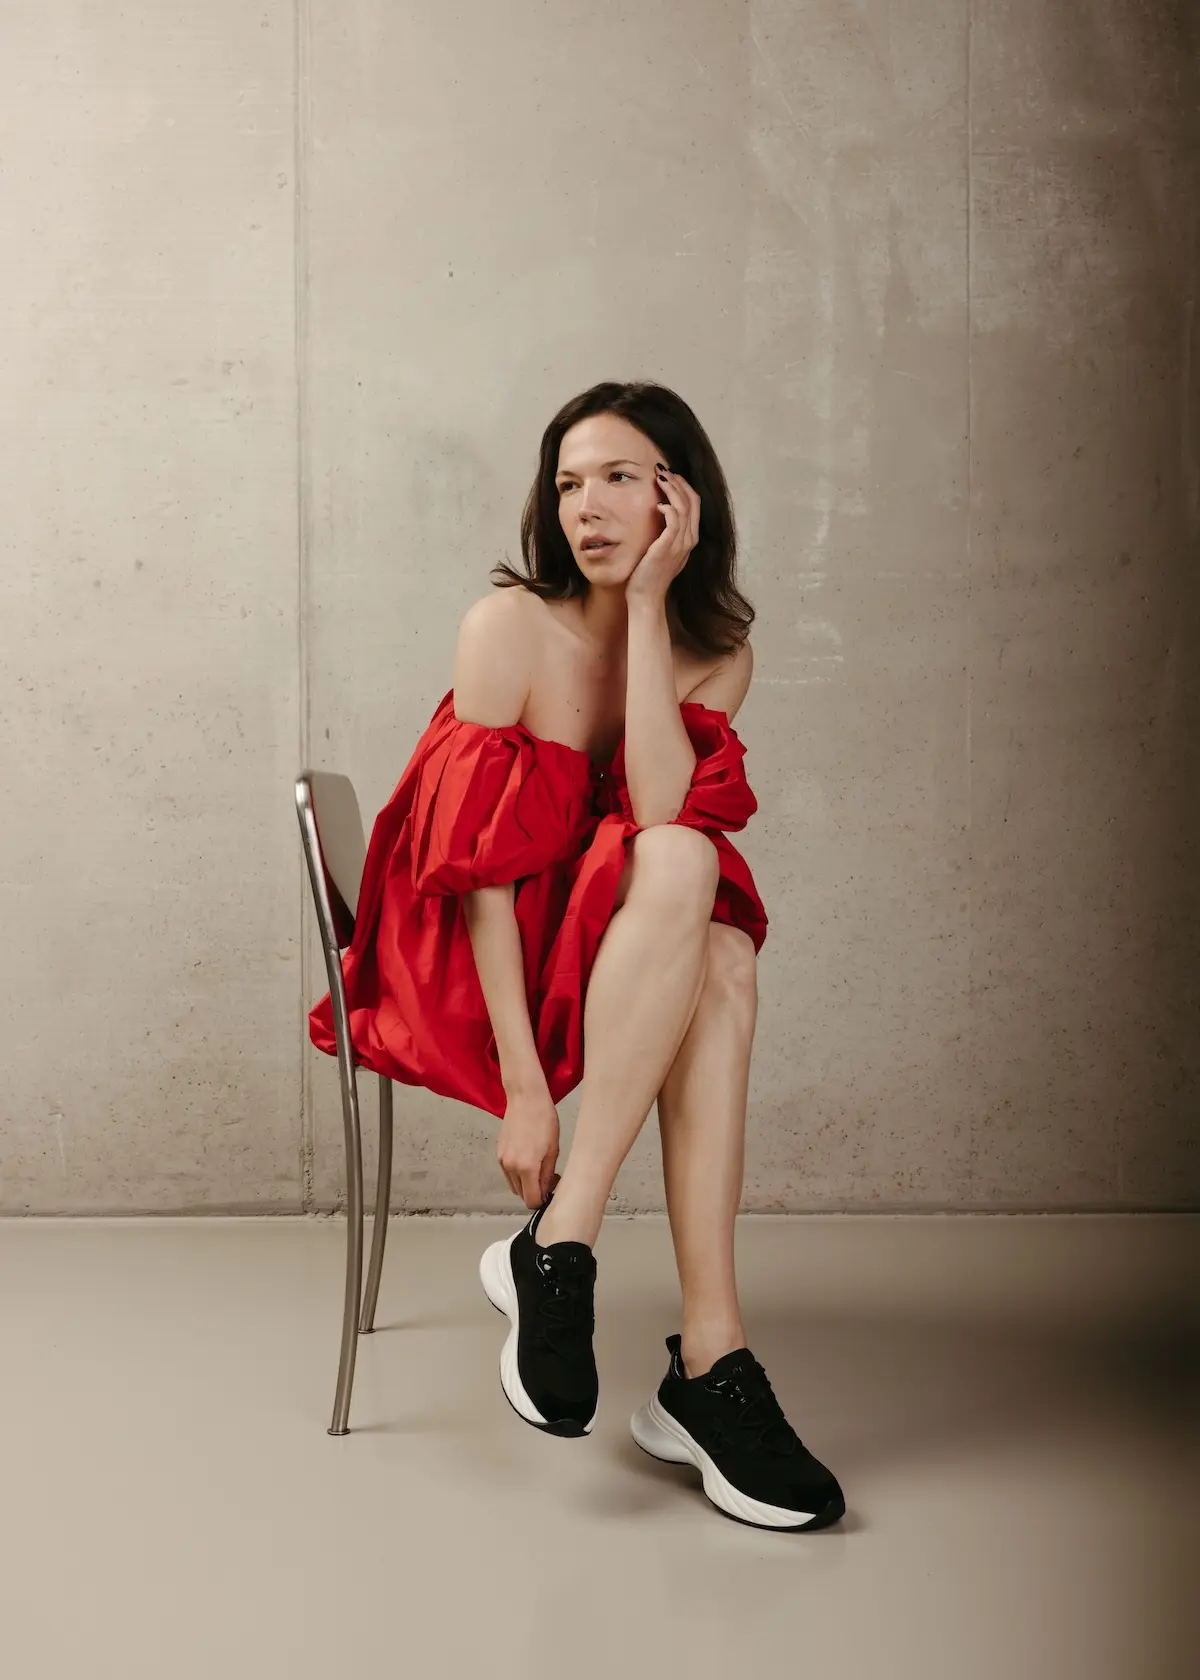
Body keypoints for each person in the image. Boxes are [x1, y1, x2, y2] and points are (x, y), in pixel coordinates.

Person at [309, 381, 844, 1532]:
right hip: (469, 960)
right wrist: (523, 1090)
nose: (587, 508)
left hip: (618, 958)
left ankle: (600, 1269)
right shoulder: (507, 628)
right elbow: (482, 880)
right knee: (704, 919)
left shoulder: (714, 651)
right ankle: (691, 1360)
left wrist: (648, 610)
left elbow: (660, 807)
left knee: (704, 906)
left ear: (678, 499)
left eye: (618, 479)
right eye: (566, 484)